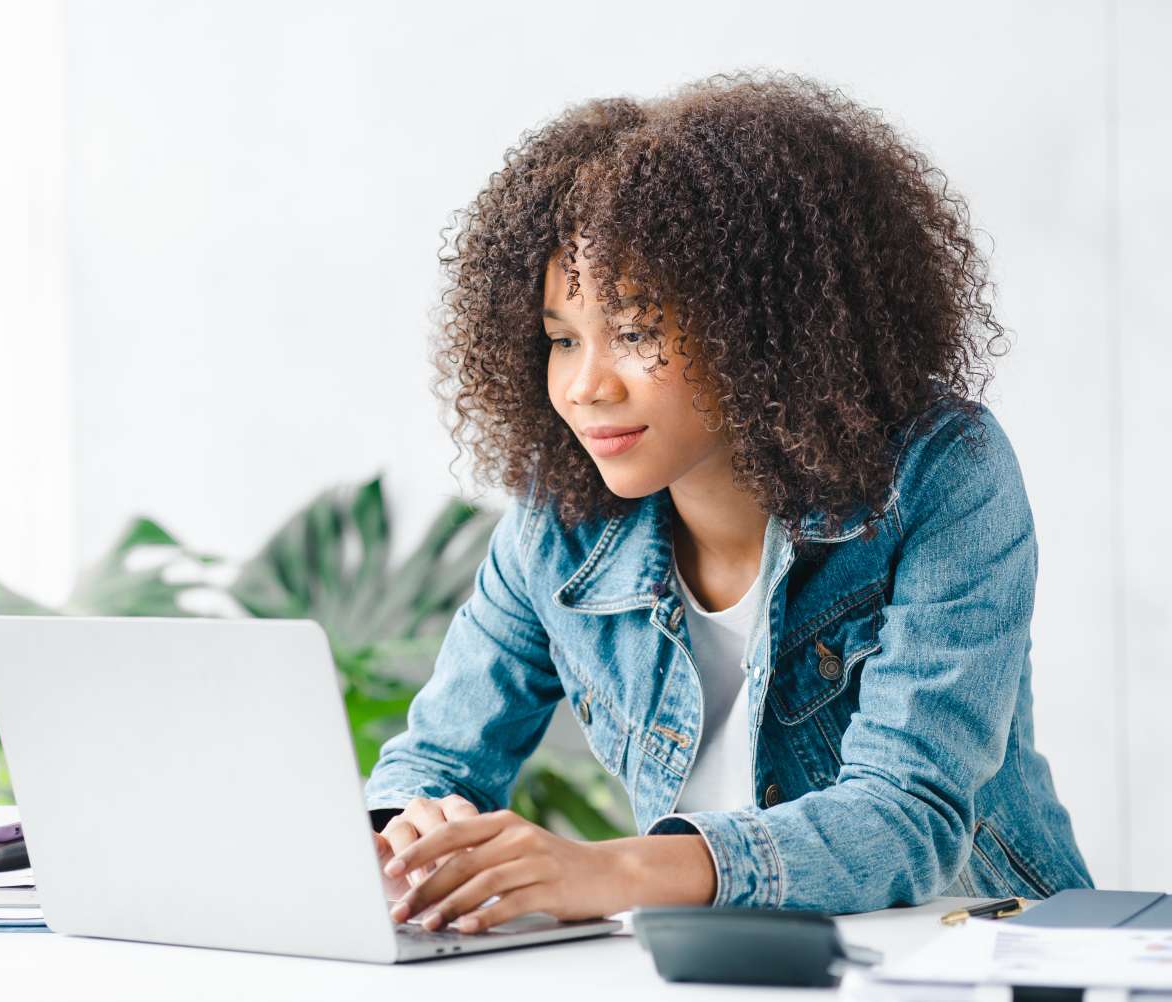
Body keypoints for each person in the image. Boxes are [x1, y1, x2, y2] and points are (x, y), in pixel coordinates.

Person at [365, 72, 1092, 933]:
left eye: (635, 333)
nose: (586, 386)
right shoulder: (558, 517)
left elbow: (909, 814)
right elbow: (437, 761)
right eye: (563, 340)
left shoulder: (942, 473)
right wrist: (410, 833)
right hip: (719, 969)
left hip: (977, 951)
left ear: (761, 329)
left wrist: (609, 871)